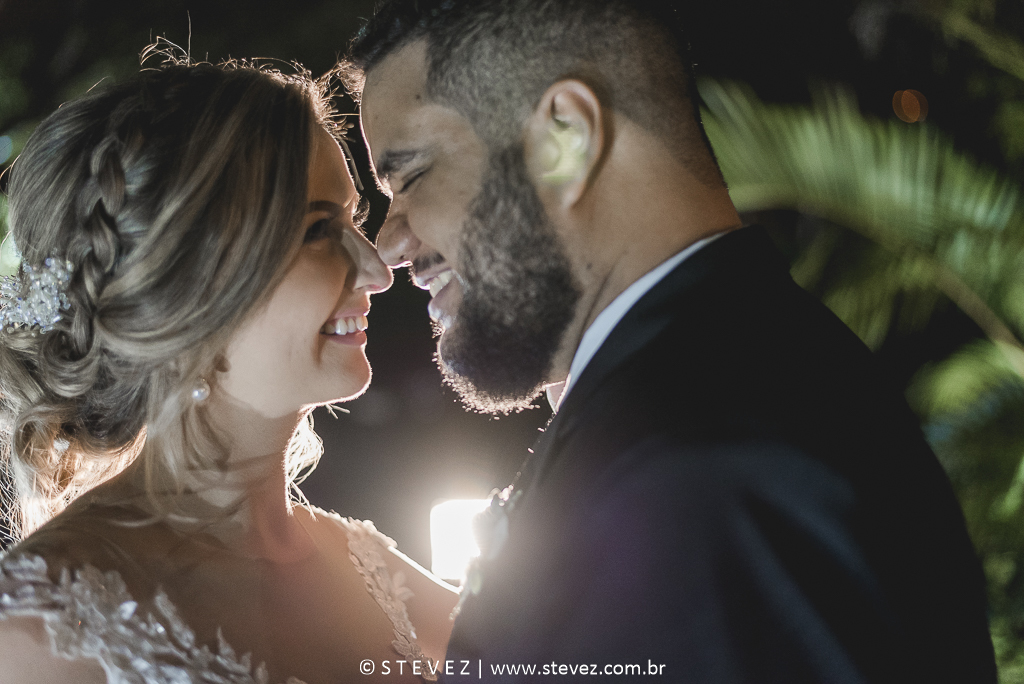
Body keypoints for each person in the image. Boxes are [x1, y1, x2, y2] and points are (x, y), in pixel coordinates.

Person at [342, 0, 998, 681]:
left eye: (411, 176)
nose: (389, 245)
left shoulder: (712, 461)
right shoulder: (710, 387)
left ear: (565, 138)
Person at [0, 52, 457, 683]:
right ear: (186, 291)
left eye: (354, 219)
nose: (378, 271)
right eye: (320, 230)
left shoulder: (375, 571)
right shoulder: (35, 630)